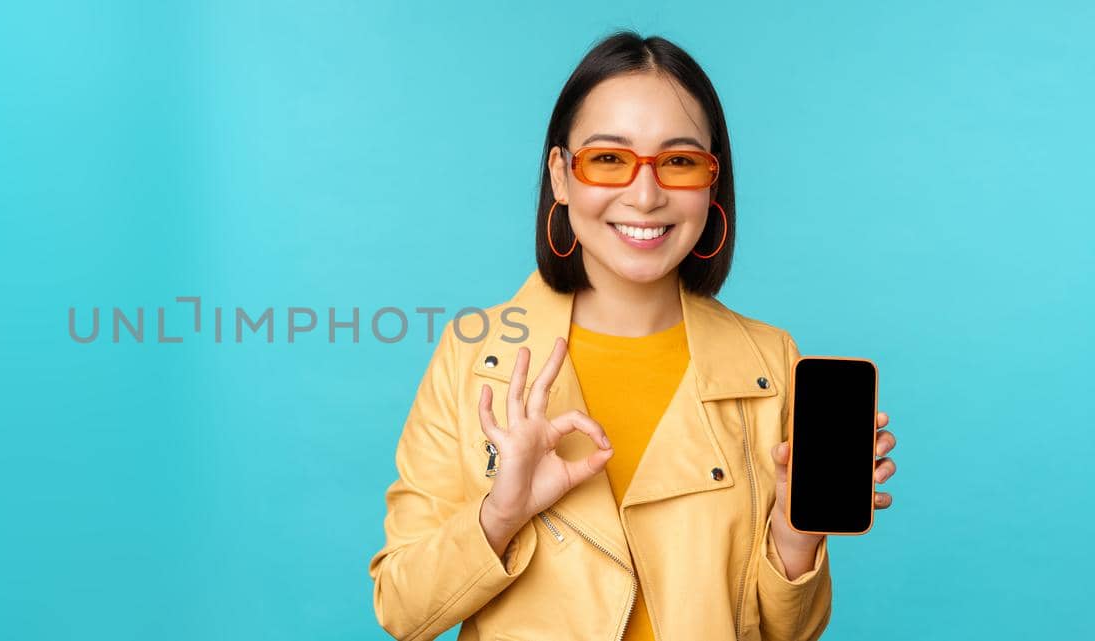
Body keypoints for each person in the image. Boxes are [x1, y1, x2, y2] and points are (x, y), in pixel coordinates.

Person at [367, 31, 898, 641]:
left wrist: (794, 537)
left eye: (678, 162)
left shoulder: (771, 363)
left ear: (711, 183)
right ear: (561, 177)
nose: (645, 196)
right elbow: (401, 610)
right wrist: (502, 513)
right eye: (609, 159)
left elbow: (790, 633)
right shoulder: (472, 354)